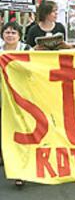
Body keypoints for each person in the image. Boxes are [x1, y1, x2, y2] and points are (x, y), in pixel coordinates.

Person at [0, 21, 31, 187]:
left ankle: (21, 170)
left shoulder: (26, 50)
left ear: (19, 36)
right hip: (2, 96)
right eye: (7, 32)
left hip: (21, 98)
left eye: (13, 33)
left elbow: (33, 69)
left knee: (20, 130)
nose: (10, 35)